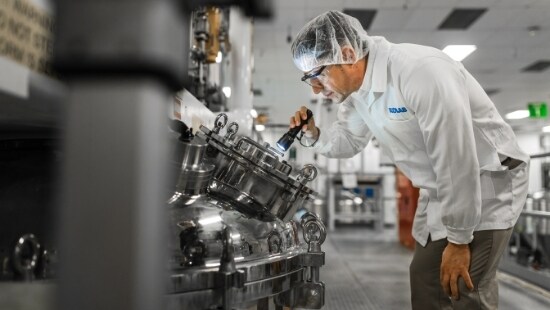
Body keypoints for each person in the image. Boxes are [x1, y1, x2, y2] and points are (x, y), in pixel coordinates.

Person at [289, 10, 530, 310]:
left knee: (465, 288)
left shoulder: (420, 72)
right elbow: (348, 141)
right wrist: (313, 134)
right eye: (308, 78)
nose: (315, 87)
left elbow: (457, 158)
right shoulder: (357, 93)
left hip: (487, 181)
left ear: (348, 54)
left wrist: (458, 241)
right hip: (443, 187)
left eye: (318, 74)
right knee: (425, 278)